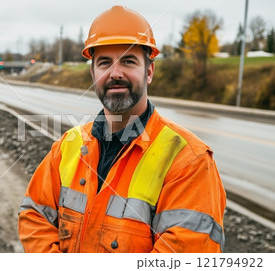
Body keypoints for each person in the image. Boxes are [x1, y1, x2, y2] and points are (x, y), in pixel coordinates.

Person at [18, 5, 226, 253]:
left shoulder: (189, 161)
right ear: (93, 73)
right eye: (104, 63)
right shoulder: (67, 146)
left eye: (128, 61)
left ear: (149, 71)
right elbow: (34, 216)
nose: (115, 73)